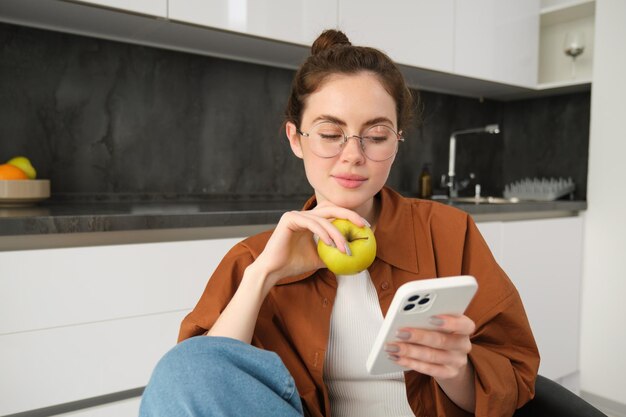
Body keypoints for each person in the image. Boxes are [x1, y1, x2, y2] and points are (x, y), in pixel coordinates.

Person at [139, 30, 539, 417]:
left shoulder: (449, 233)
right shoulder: (253, 258)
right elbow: (198, 388)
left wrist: (459, 371)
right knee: (183, 367)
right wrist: (264, 275)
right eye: (331, 133)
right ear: (296, 139)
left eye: (376, 136)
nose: (353, 155)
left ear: (397, 141)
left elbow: (515, 378)